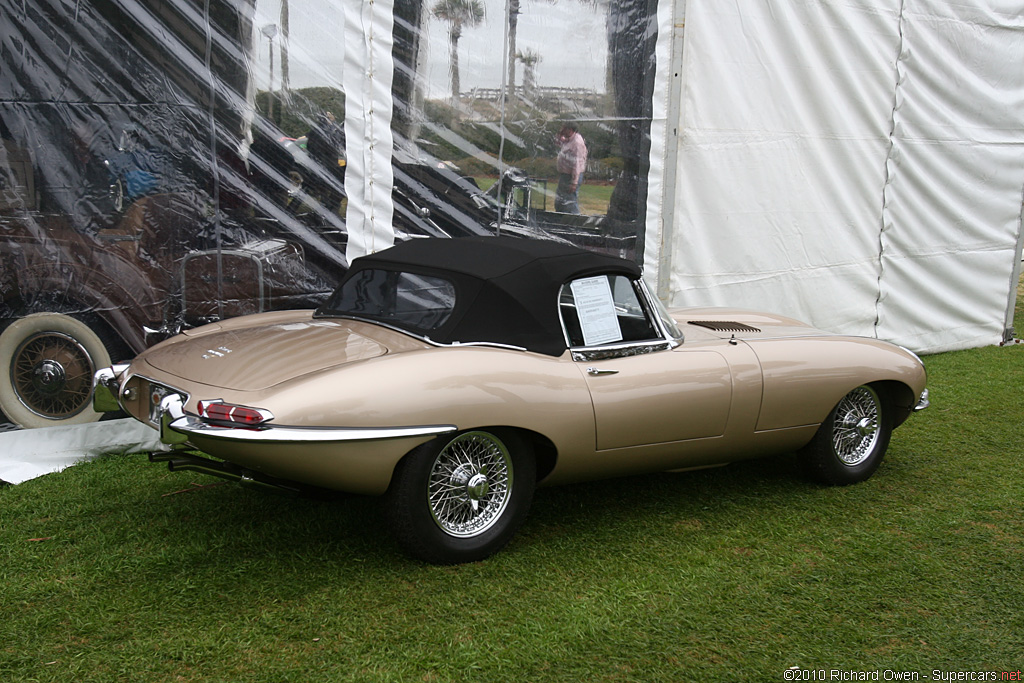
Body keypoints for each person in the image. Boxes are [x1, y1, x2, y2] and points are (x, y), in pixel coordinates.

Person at [554, 122, 588, 214]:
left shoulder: (577, 143)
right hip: (565, 175)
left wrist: (574, 182)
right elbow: (558, 142)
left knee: (570, 202)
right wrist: (559, 134)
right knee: (560, 202)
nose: (562, 130)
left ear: (570, 130)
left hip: (571, 176)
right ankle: (560, 219)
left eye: (564, 128)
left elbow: (577, 163)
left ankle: (575, 223)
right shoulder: (569, 139)